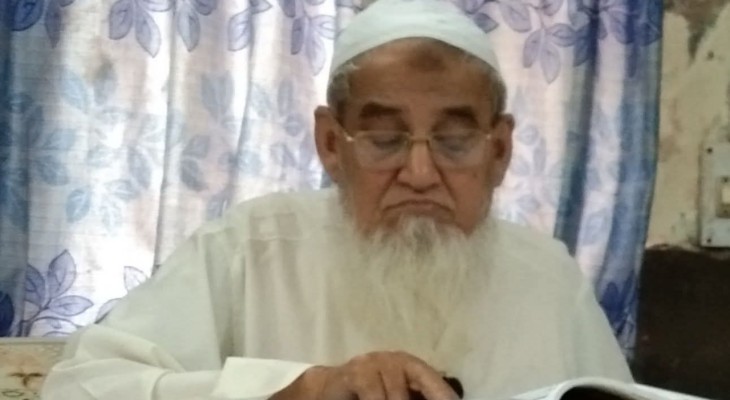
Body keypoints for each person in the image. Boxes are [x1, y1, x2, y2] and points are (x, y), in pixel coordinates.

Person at [41, 0, 632, 399]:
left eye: (454, 142)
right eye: (384, 140)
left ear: (499, 151)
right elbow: (80, 387)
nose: (419, 174)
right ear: (330, 144)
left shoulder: (550, 278)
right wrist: (302, 390)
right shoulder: (251, 248)